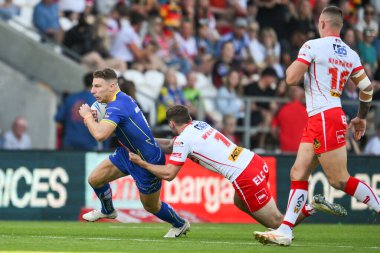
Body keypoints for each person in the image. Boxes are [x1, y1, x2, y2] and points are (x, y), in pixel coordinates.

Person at [254, 6, 380, 246]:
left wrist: (300, 66)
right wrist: (362, 116)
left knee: (339, 180)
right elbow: (367, 88)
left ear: (322, 23)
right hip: (326, 114)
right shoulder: (351, 54)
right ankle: (285, 231)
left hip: (324, 116)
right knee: (298, 172)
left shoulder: (312, 45)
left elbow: (291, 78)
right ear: (340, 26)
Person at [128, 105, 346, 236]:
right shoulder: (199, 125)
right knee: (239, 202)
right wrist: (142, 140)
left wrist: (142, 162)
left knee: (279, 223)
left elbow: (169, 174)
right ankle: (284, 222)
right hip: (254, 161)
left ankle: (311, 207)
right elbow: (169, 145)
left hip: (244, 175)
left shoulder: (184, 140)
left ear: (172, 125)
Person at [78, 68, 189, 238]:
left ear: (112, 86)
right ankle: (108, 210)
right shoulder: (120, 100)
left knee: (151, 206)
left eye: (98, 86)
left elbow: (100, 135)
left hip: (147, 161)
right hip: (127, 153)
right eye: (93, 86)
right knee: (95, 179)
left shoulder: (117, 106)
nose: (93, 91)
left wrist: (87, 117)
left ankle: (180, 224)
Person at [55, 73, 100, 150]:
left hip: (69, 143)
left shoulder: (70, 98)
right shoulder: (97, 102)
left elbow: (59, 118)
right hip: (89, 145)